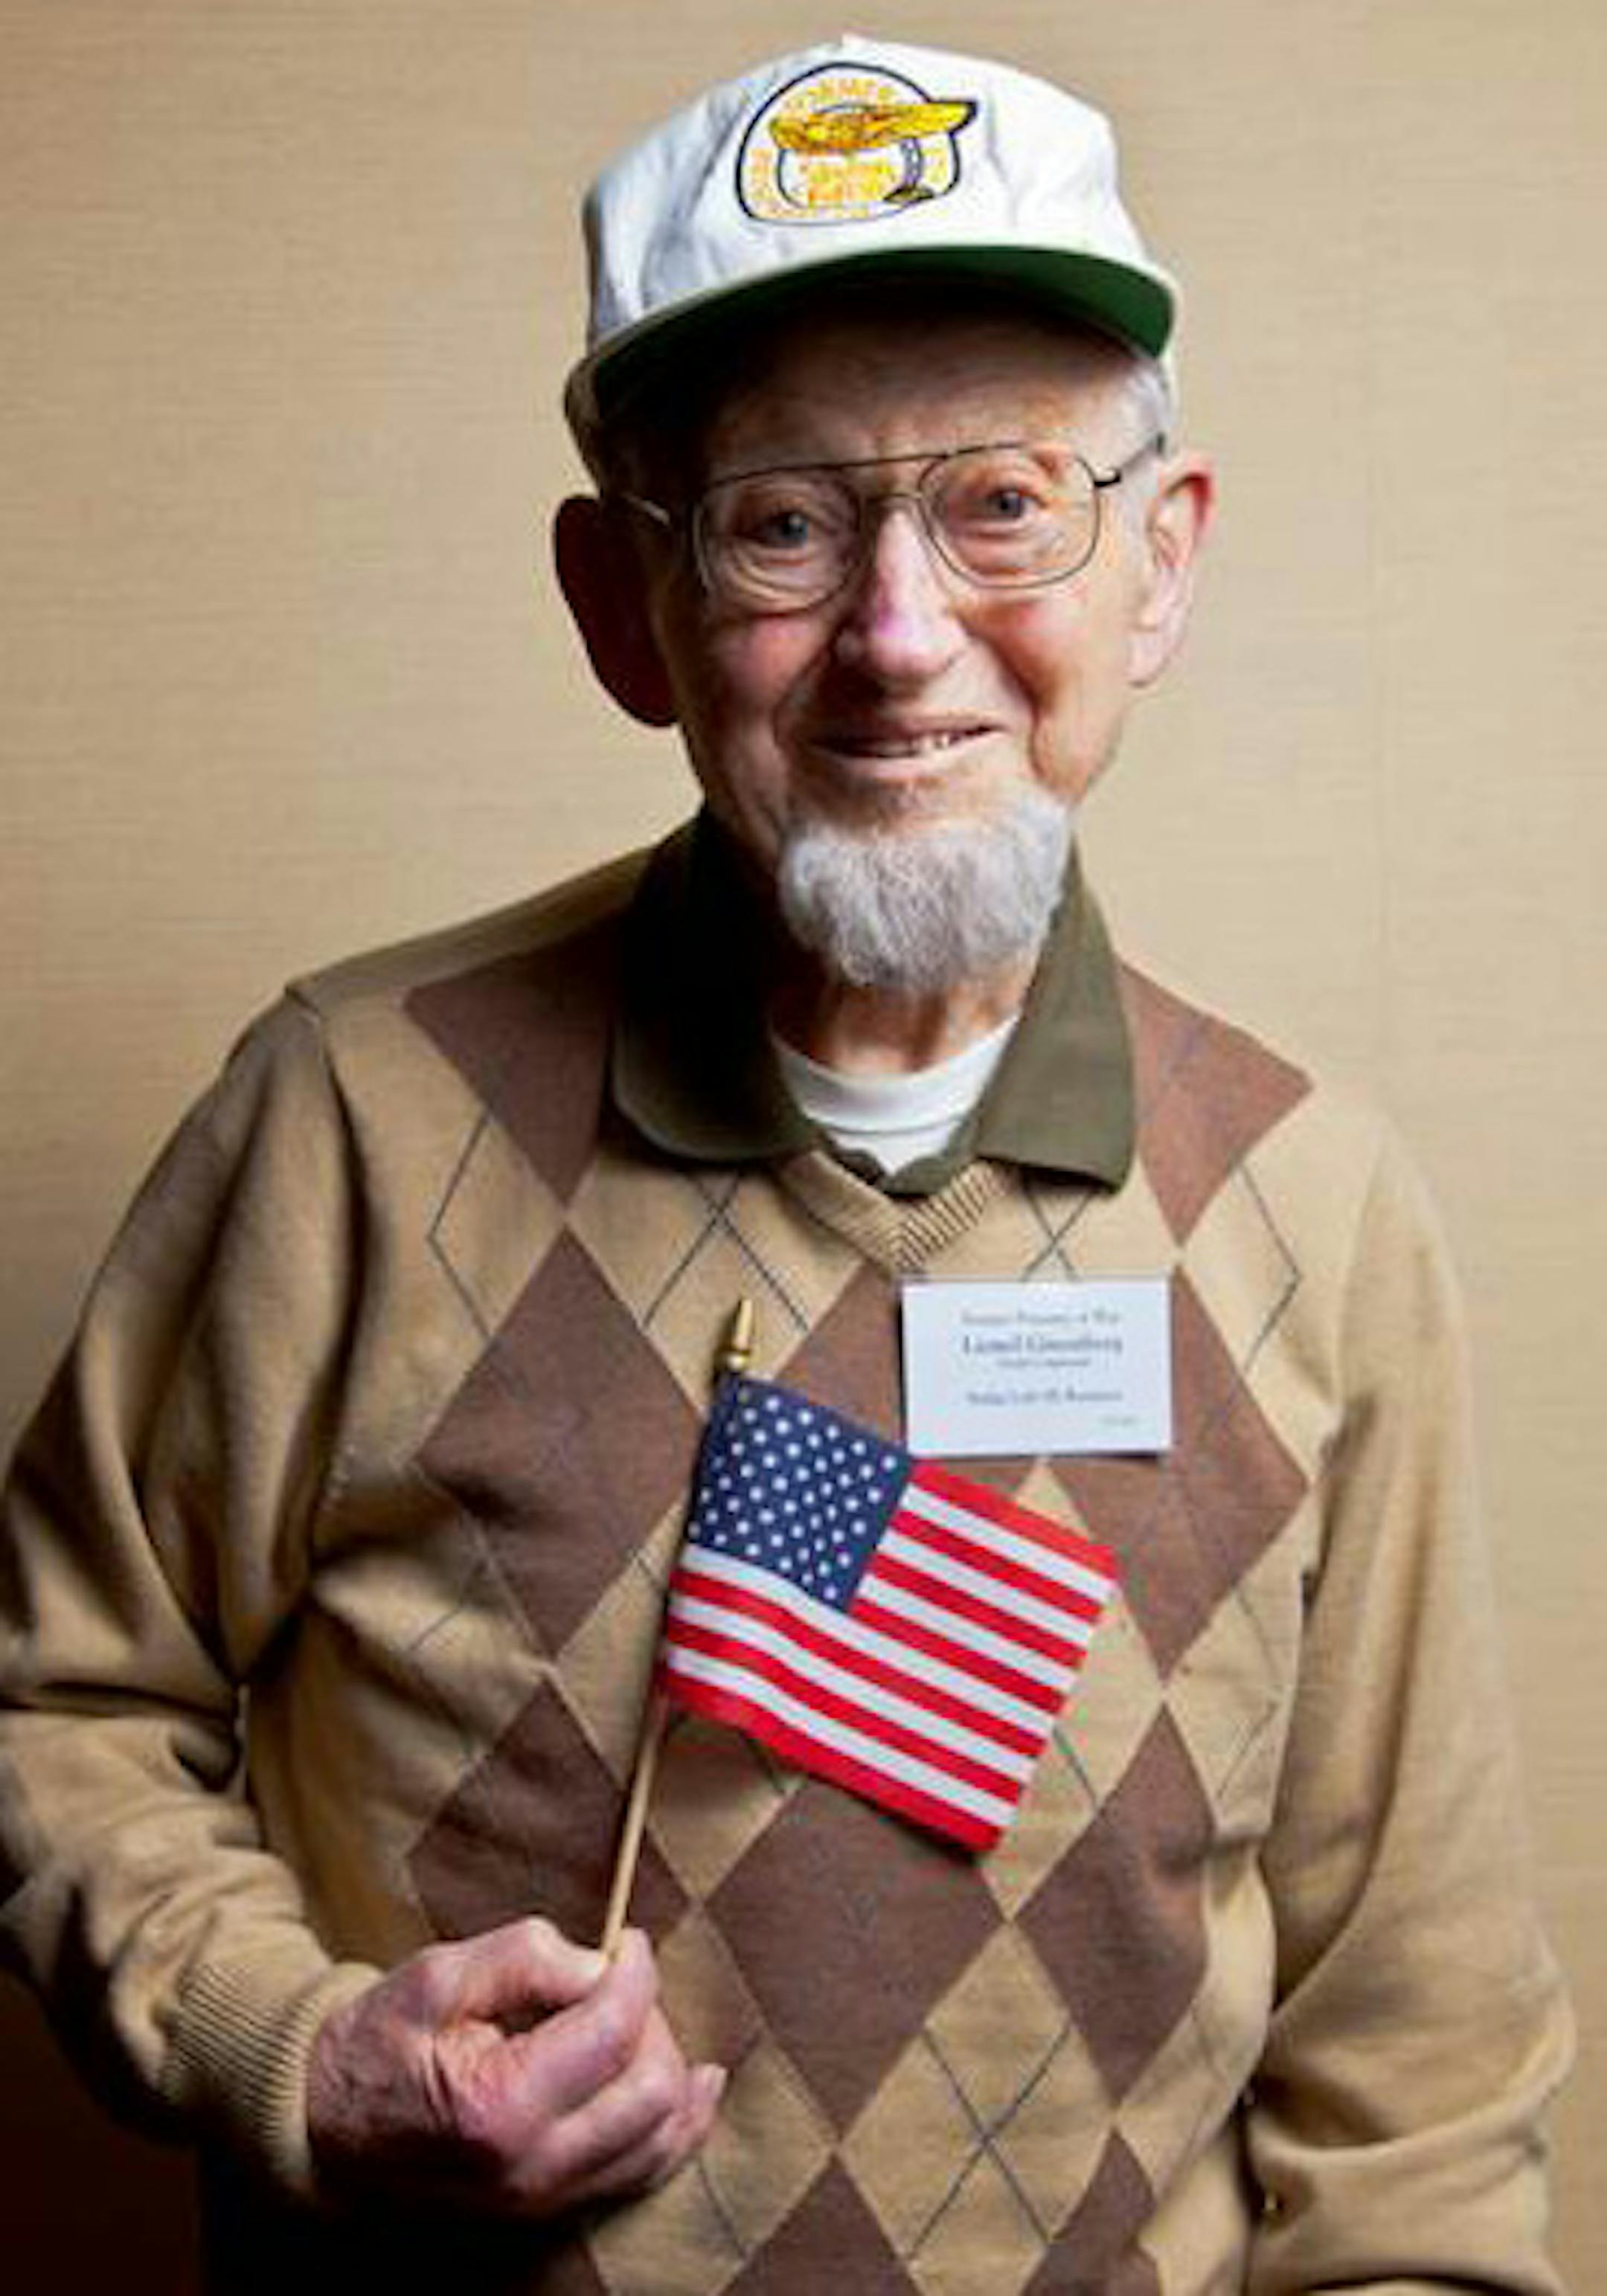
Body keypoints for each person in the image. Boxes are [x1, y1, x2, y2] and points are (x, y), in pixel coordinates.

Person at [0, 33, 1572, 2294]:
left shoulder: (1318, 1209)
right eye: (783, 520)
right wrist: (301, 2049)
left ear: (1164, 563)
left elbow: (1413, 2085)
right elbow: (50, 1702)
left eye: (1006, 500)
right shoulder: (346, 1116)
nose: (900, 634)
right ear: (622, 605)